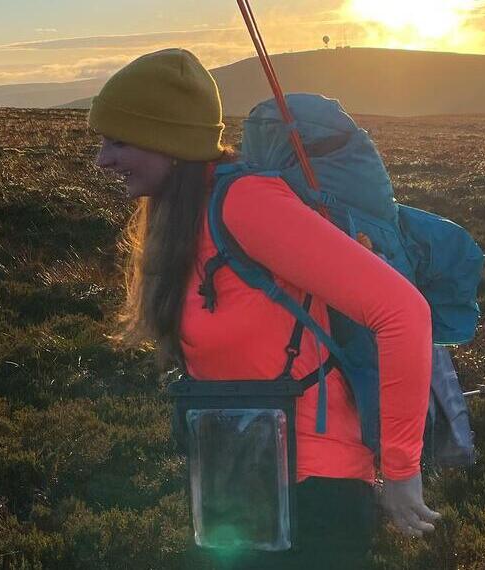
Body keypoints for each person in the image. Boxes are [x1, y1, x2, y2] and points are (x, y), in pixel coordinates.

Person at [89, 48, 440, 569]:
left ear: (167, 139)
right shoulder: (181, 216)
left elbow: (401, 311)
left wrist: (402, 469)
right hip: (242, 478)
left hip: (316, 493)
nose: (102, 159)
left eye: (118, 141)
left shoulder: (244, 202)